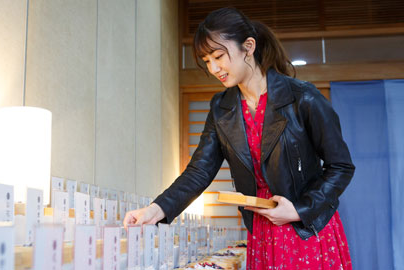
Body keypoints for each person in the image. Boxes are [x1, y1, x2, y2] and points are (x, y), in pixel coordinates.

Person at [124, 7, 355, 269]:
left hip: (306, 228)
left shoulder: (303, 97)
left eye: (218, 56)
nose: (213, 68)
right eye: (206, 60)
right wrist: (155, 210)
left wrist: (299, 210)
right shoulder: (221, 108)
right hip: (262, 230)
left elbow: (341, 166)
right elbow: (199, 171)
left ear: (248, 46)